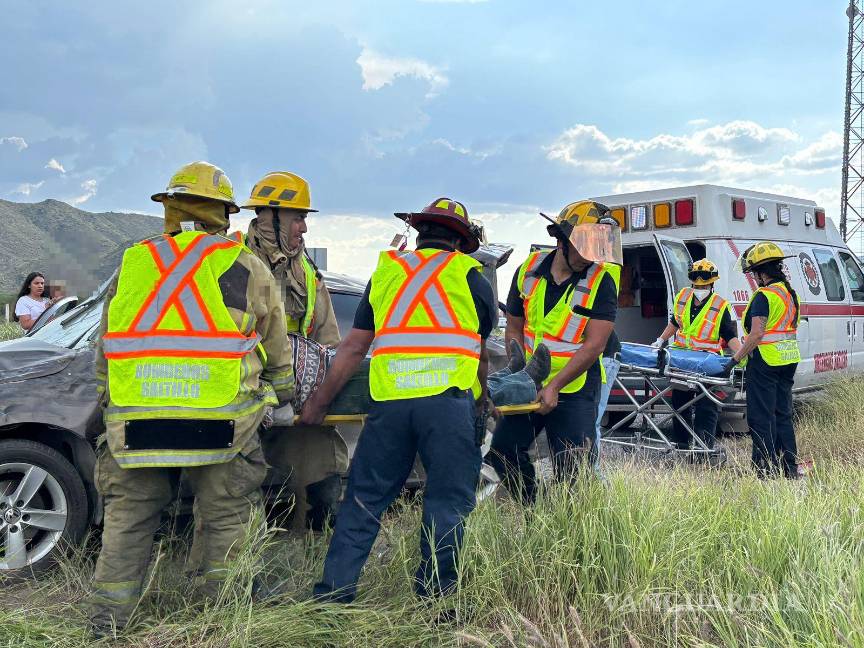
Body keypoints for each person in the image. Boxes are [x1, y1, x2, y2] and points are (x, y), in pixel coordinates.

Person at [87, 161, 294, 635]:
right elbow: (276, 345)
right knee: (226, 518)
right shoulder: (244, 265)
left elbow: (107, 344)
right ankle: (218, 625)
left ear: (170, 208)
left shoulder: (135, 262)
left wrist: (108, 402)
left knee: (128, 520)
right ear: (224, 213)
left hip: (137, 422)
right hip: (221, 423)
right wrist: (281, 393)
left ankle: (107, 625)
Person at [300, 197, 496, 603]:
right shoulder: (471, 277)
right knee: (446, 504)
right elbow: (478, 352)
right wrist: (482, 398)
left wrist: (319, 402)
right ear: (461, 242)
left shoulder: (387, 272)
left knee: (363, 501)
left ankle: (332, 598)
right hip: (446, 405)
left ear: (419, 234)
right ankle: (437, 603)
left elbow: (354, 347)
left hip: (390, 405)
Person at [488, 200, 622, 504]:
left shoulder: (602, 281)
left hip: (575, 387)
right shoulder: (528, 271)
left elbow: (595, 345)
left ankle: (572, 524)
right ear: (562, 240)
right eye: (585, 248)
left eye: (597, 248)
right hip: (531, 382)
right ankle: (532, 507)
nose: (591, 256)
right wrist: (520, 372)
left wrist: (555, 386)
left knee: (573, 468)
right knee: (503, 451)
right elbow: (514, 327)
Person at [241, 171, 348, 531]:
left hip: (295, 402)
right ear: (268, 216)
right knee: (234, 493)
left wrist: (314, 393)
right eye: (297, 218)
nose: (304, 228)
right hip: (242, 394)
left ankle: (315, 546)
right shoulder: (230, 260)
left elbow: (328, 342)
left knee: (323, 477)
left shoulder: (307, 273)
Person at [726, 242, 800, 479]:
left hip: (765, 361)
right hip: (788, 359)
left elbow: (757, 334)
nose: (753, 278)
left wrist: (735, 359)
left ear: (760, 273)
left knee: (761, 417)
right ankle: (789, 466)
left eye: (753, 273)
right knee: (783, 414)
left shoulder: (763, 296)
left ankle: (764, 469)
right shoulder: (789, 294)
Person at [653, 259, 742, 452]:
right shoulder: (683, 297)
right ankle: (682, 446)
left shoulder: (720, 306)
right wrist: (660, 340)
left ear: (712, 284)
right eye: (697, 286)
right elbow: (675, 323)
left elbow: (729, 336)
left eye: (704, 286)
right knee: (680, 404)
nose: (700, 289)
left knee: (706, 407)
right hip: (681, 361)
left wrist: (742, 354)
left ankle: (703, 448)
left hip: (707, 364)